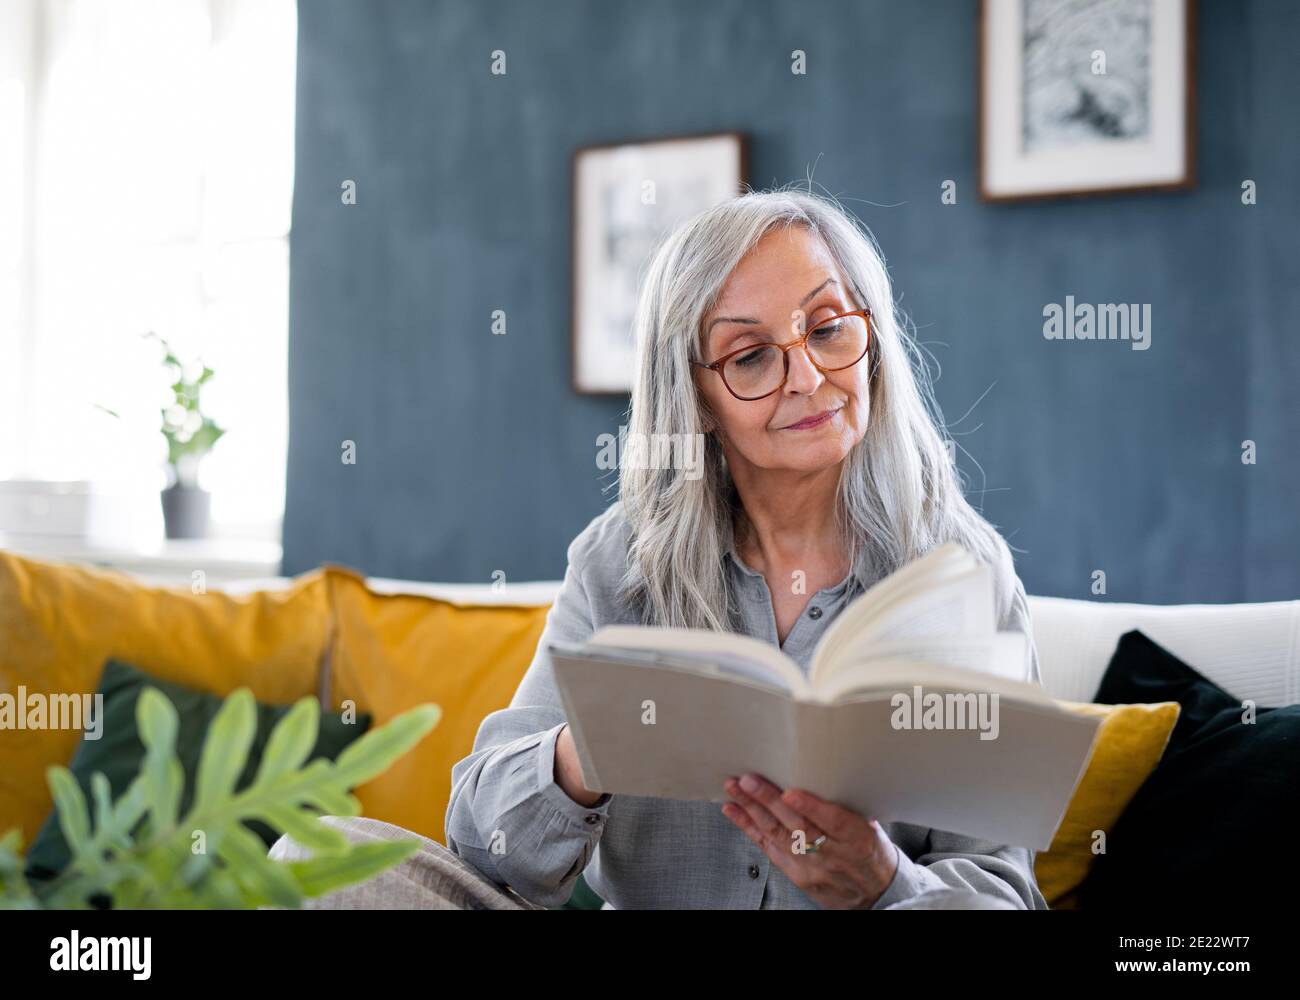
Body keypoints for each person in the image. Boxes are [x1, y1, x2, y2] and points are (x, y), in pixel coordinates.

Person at [270, 186, 1049, 910]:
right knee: (317, 854)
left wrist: (885, 884)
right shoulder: (622, 561)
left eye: (829, 328)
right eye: (750, 356)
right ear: (696, 397)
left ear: (870, 339)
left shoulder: (964, 578)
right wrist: (587, 754)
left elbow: (1007, 893)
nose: (808, 376)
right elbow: (485, 847)